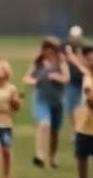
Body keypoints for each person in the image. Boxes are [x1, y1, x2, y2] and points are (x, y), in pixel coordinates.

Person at [23, 37, 69, 169]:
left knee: (54, 131)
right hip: (41, 100)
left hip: (57, 102)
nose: (48, 52)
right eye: (45, 49)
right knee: (44, 124)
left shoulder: (61, 62)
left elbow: (66, 79)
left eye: (51, 49)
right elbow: (26, 78)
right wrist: (35, 81)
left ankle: (52, 157)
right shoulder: (38, 63)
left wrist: (56, 77)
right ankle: (40, 155)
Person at [67, 44, 93, 178]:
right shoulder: (87, 77)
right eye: (88, 59)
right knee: (81, 155)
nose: (90, 62)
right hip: (83, 124)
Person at [63, 26, 86, 134]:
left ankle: (82, 131)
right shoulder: (65, 48)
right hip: (72, 82)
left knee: (83, 109)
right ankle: (77, 131)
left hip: (85, 82)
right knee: (70, 109)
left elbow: (83, 65)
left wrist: (77, 52)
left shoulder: (86, 50)